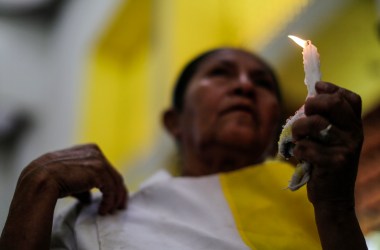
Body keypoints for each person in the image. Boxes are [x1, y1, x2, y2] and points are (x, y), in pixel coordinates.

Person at [0, 48, 367, 249]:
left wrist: (336, 208)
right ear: (174, 122)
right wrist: (37, 185)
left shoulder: (314, 206)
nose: (244, 86)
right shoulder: (102, 219)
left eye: (260, 82)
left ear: (277, 121)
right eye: (220, 74)